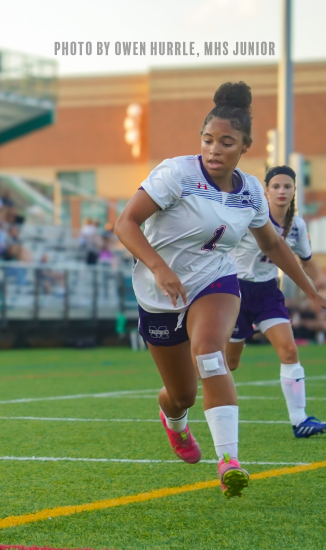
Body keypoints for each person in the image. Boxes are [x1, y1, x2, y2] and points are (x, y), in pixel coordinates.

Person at [114, 82, 326, 498]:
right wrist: (159, 267)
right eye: (208, 140)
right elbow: (125, 224)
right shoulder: (176, 173)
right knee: (180, 395)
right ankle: (174, 422)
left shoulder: (250, 191)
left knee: (211, 356)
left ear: (245, 146)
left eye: (226, 142)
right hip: (158, 293)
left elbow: (273, 245)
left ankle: (229, 460)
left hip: (216, 281)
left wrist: (313, 291)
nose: (214, 149)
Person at [226, 165, 326, 437]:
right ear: (266, 190)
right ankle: (178, 390)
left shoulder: (297, 225)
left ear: (294, 191)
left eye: (288, 187)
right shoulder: (250, 215)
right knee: (228, 363)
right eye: (276, 186)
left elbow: (308, 262)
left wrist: (320, 285)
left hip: (268, 292)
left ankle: (299, 420)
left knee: (290, 351)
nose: (282, 191)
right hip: (235, 291)